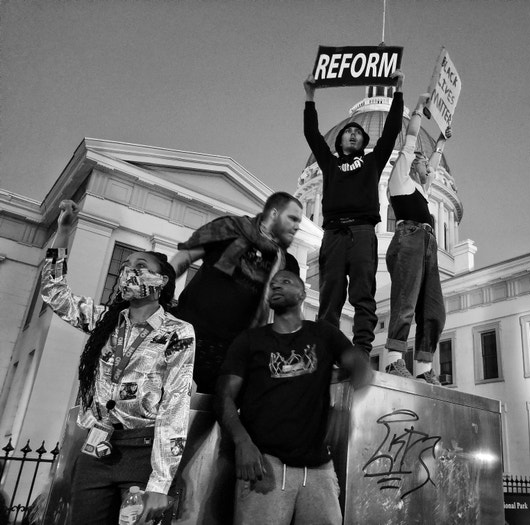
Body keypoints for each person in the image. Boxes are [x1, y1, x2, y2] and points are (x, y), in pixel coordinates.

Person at [42, 200, 195, 525]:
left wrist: (160, 481)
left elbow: (175, 405)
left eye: (140, 265)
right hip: (94, 449)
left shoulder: (178, 332)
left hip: (141, 453)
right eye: (125, 265)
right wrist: (65, 231)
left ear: (162, 281)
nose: (128, 271)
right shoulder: (104, 320)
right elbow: (55, 295)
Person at [215, 269, 370, 525]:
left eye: (285, 282)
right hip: (265, 465)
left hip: (320, 469)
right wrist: (242, 442)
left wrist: (345, 410)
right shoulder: (250, 340)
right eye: (272, 284)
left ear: (302, 293)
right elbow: (223, 396)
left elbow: (361, 367)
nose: (275, 286)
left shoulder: (323, 333)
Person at [303, 69, 405, 355]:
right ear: (339, 141)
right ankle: (326, 347)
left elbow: (392, 130)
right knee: (330, 295)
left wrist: (398, 91)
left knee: (363, 292)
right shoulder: (329, 164)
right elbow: (312, 134)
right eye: (348, 131)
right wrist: (310, 97)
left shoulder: (373, 162)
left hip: (361, 231)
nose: (351, 134)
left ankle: (361, 347)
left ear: (363, 142)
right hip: (333, 232)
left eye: (357, 133)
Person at [170, 192, 302, 394]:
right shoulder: (229, 228)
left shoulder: (288, 264)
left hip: (234, 354)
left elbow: (290, 313)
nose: (296, 226)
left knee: (214, 415)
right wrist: (159, 293)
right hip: (187, 339)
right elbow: (185, 258)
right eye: (292, 218)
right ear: (274, 213)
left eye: (299, 221)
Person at [384, 92, 451, 385]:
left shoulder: (423, 192)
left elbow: (434, 169)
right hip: (408, 239)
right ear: (414, 165)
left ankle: (424, 368)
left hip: (427, 245)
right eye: (424, 163)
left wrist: (440, 143)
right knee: (406, 301)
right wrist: (418, 111)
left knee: (434, 308)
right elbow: (410, 142)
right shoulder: (401, 178)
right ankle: (392, 361)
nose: (429, 168)